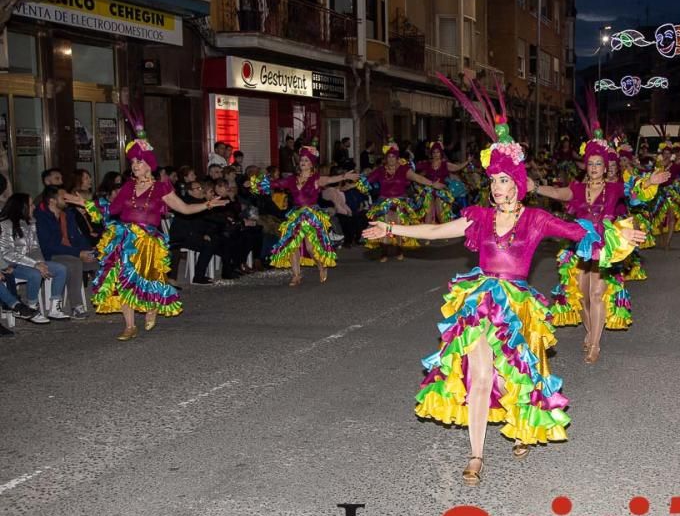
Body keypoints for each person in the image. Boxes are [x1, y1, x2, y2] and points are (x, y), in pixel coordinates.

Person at [361, 87, 645, 486]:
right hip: (480, 300)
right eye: (492, 181)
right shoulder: (478, 216)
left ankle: (521, 425)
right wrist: (391, 228)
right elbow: (437, 230)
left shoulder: (536, 219)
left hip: (519, 305)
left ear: (517, 183)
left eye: (503, 180)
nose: (496, 187)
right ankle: (476, 455)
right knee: (478, 376)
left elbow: (581, 232)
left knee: (519, 375)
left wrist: (619, 235)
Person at [531, 95, 668, 362]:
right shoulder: (578, 188)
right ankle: (590, 329)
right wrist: (535, 187)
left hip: (606, 246)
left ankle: (595, 343)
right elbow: (559, 193)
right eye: (591, 164)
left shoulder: (615, 187)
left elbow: (635, 191)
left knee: (597, 292)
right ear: (586, 166)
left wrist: (649, 180)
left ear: (605, 167)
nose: (594, 168)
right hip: (580, 246)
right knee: (581, 296)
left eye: (598, 164)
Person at [75, 108, 226, 341]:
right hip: (126, 240)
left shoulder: (161, 188)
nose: (135, 165)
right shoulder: (127, 187)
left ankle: (152, 307)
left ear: (148, 165)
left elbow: (184, 209)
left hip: (148, 242)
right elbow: (111, 211)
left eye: (139, 161)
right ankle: (128, 325)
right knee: (123, 279)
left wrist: (208, 204)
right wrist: (87, 204)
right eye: (133, 161)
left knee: (149, 279)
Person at [248, 141, 355, 286]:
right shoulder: (292, 179)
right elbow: (276, 183)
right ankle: (296, 276)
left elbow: (329, 179)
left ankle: (321, 266)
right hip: (296, 215)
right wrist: (255, 183)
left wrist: (343, 176)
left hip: (311, 215)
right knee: (292, 245)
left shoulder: (316, 179)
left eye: (306, 160)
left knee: (311, 248)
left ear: (312, 164)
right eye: (302, 160)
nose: (303, 162)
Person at [358, 137, 444, 262]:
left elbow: (418, 178)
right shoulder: (381, 170)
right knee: (384, 224)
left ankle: (399, 249)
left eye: (394, 157)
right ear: (386, 158)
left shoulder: (404, 169)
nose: (391, 159)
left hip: (400, 201)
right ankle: (384, 251)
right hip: (384, 202)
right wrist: (352, 182)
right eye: (389, 157)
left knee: (399, 224)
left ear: (397, 158)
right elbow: (367, 181)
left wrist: (432, 184)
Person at [0, 193, 69, 323]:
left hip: (30, 262)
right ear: (22, 207)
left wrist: (40, 263)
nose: (33, 207)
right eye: (31, 205)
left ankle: (54, 308)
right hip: (11, 264)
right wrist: (35, 265)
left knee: (60, 269)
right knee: (35, 274)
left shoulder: (31, 222)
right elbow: (7, 253)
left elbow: (36, 247)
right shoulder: (6, 225)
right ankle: (32, 307)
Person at [35, 185, 98, 318]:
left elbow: (77, 237)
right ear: (52, 200)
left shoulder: (67, 214)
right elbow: (48, 246)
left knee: (100, 260)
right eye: (63, 197)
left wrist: (88, 251)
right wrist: (78, 253)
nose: (67, 199)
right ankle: (76, 306)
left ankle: (105, 298)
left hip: (71, 251)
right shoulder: (41, 216)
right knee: (74, 263)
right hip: (52, 255)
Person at [415, 137, 468, 223]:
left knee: (441, 215)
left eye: (438, 152)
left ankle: (444, 233)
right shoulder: (427, 164)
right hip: (429, 192)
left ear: (441, 153)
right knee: (428, 215)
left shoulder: (445, 164)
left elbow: (457, 167)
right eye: (434, 152)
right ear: (431, 153)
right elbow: (419, 177)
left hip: (441, 192)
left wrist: (467, 161)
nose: (436, 154)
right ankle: (428, 233)